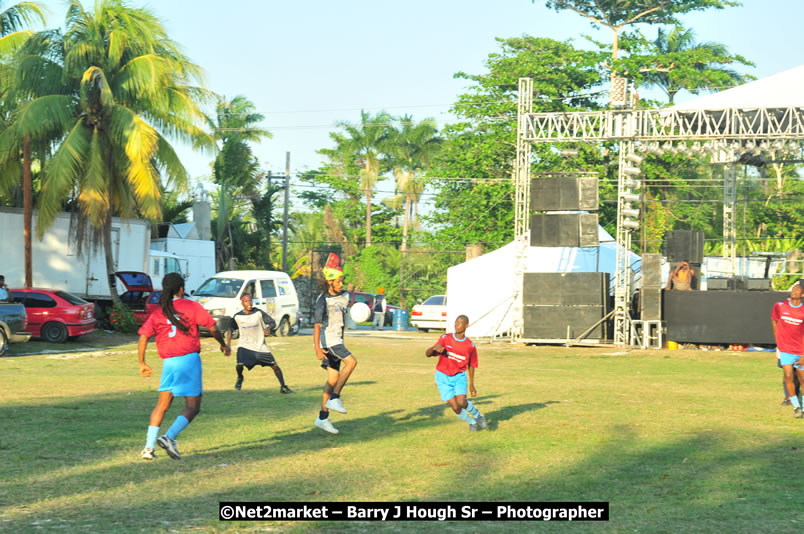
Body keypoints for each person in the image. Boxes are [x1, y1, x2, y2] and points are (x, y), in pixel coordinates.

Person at [137, 272, 231, 460]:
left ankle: (148, 448)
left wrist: (142, 362)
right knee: (193, 406)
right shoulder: (191, 306)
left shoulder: (159, 311)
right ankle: (169, 436)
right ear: (181, 288)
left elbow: (144, 336)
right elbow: (212, 327)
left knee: (162, 405)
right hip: (188, 360)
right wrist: (223, 344)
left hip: (169, 363)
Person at [313, 253, 357, 434]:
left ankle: (322, 418)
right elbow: (316, 326)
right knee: (352, 362)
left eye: (342, 280)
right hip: (328, 341)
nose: (341, 284)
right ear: (330, 282)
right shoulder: (322, 300)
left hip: (337, 339)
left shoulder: (345, 296)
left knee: (332, 379)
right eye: (338, 281)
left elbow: (343, 320)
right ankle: (335, 398)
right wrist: (317, 347)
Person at [425, 315, 488, 432]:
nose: (456, 325)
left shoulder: (470, 345)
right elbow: (428, 354)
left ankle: (478, 416)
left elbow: (472, 365)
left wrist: (472, 384)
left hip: (459, 376)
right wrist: (433, 348)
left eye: (460, 323)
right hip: (443, 376)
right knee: (455, 407)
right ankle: (472, 422)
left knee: (461, 402)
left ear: (466, 326)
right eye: (455, 322)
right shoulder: (445, 338)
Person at [226, 292, 293, 394]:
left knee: (275, 366)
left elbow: (272, 323)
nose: (249, 303)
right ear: (242, 303)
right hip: (245, 345)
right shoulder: (237, 316)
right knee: (239, 364)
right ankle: (240, 377)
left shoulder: (259, 313)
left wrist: (268, 328)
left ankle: (283, 387)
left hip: (260, 346)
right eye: (246, 301)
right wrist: (228, 344)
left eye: (250, 301)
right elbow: (230, 329)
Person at [771, 279, 804, 418]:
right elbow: (774, 321)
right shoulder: (780, 306)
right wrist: (778, 341)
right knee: (788, 376)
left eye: (798, 289)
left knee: (802, 379)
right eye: (793, 289)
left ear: (802, 294)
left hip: (801, 350)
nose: (794, 291)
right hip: (785, 349)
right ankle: (796, 406)